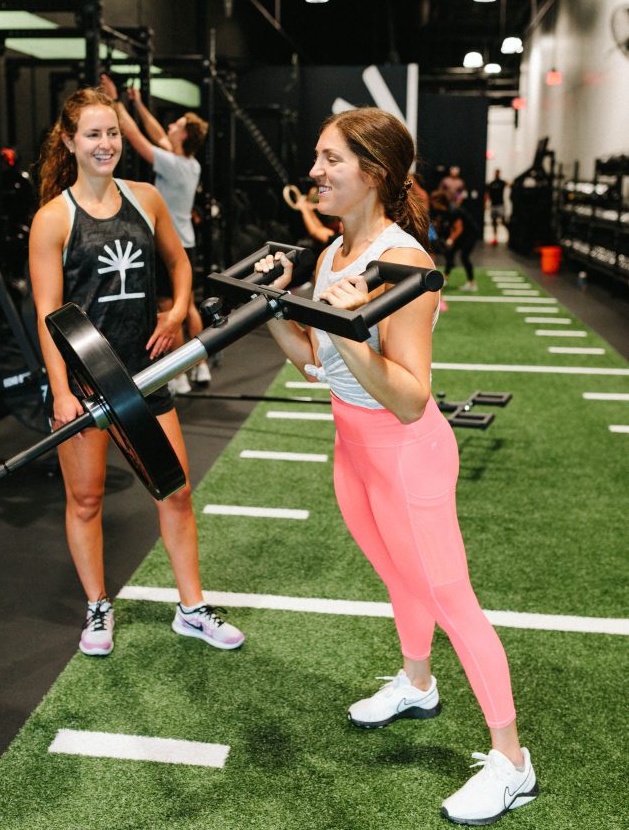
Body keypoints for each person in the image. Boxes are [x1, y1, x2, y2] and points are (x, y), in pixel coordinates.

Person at [254, 107, 537, 826]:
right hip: (352, 447)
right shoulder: (332, 252)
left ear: (373, 173)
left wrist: (347, 333)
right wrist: (271, 309)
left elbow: (409, 397)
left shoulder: (403, 261)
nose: (313, 171)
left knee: (452, 602)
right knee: (396, 576)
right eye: (316, 158)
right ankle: (418, 683)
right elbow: (318, 361)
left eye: (329, 160)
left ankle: (512, 762)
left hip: (406, 453)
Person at [29, 86, 244, 657]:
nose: (106, 144)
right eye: (94, 134)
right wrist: (60, 393)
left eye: (113, 133)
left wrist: (176, 310)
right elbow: (49, 316)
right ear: (70, 142)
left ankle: (192, 608)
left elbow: (179, 262)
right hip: (85, 382)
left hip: (146, 376)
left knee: (174, 492)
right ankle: (99, 606)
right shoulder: (53, 219)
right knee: (87, 500)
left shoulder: (146, 198)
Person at [100, 74, 210, 395]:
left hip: (167, 247)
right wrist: (137, 103)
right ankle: (200, 368)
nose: (171, 127)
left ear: (185, 133)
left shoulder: (172, 164)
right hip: (185, 244)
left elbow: (135, 138)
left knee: (167, 309)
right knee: (186, 306)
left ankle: (177, 374)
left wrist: (115, 100)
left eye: (177, 124)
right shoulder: (190, 164)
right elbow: (158, 134)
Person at [430, 190, 480, 291]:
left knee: (464, 257)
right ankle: (444, 280)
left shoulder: (454, 210)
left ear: (440, 202)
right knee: (450, 254)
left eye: (433, 201)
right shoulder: (442, 211)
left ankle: (472, 284)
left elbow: (458, 228)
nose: (432, 203)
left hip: (470, 234)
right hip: (462, 234)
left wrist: (450, 240)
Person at [485, 169, 508, 245]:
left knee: (503, 221)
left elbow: (510, 184)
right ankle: (495, 238)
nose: (496, 174)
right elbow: (487, 194)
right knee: (494, 222)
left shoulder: (502, 182)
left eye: (498, 173)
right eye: (495, 173)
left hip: (500, 204)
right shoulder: (491, 183)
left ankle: (510, 235)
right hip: (493, 205)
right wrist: (487, 203)